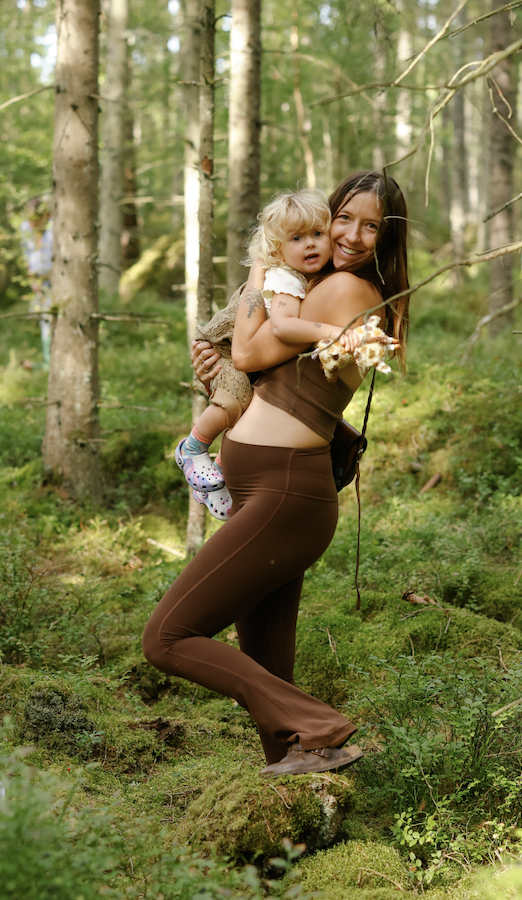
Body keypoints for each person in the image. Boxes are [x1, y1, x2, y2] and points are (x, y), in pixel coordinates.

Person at [142, 171, 410, 777]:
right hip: (274, 489)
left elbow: (252, 351)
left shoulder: (342, 288)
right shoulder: (338, 284)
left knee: (167, 639)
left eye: (372, 227)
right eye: (345, 218)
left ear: (386, 239)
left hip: (285, 492)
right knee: (265, 662)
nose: (352, 235)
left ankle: (319, 726)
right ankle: (302, 779)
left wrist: (251, 305)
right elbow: (268, 376)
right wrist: (221, 369)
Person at [174, 189, 361, 521]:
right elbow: (283, 327)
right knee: (233, 402)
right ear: (278, 248)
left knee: (248, 405)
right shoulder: (286, 279)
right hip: (227, 346)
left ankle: (219, 475)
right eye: (297, 238)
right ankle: (192, 449)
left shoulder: (311, 276)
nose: (310, 244)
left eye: (318, 234)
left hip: (245, 352)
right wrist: (332, 332)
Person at [19, 196, 54, 368]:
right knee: (44, 320)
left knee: (54, 318)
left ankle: (51, 363)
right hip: (39, 284)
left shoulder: (54, 229)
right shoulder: (26, 229)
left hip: (56, 282)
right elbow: (27, 257)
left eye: (36, 219)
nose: (33, 223)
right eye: (30, 219)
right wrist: (34, 281)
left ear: (46, 215)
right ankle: (48, 363)